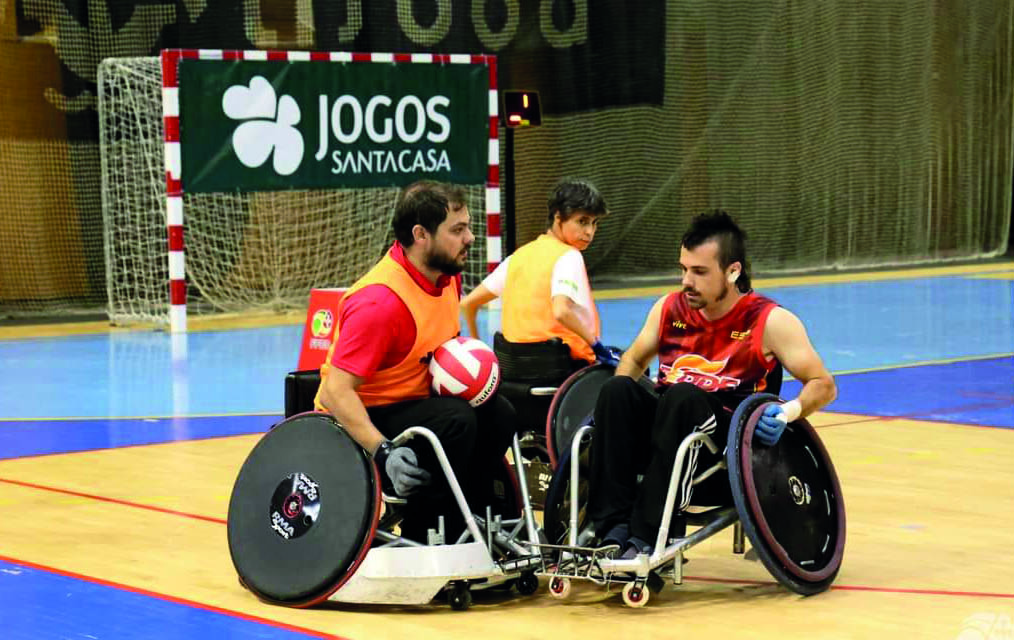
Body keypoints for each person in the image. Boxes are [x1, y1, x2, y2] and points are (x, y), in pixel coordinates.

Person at [587, 210, 837, 558]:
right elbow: (632, 360)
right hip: (666, 430)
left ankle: (647, 538)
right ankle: (610, 530)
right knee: (616, 391)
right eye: (683, 269)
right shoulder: (668, 309)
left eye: (700, 272)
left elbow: (823, 384)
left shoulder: (770, 321)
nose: (687, 281)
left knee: (682, 397)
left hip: (721, 450)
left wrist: (787, 413)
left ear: (732, 271)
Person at [314, 181, 517, 542]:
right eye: (458, 230)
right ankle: (425, 533)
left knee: (500, 411)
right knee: (456, 419)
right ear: (420, 235)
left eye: (468, 226)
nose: (470, 238)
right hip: (360, 416)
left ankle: (466, 512)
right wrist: (383, 451)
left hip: (415, 403)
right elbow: (334, 393)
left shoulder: (446, 278)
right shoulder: (380, 303)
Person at [460, 179, 619, 369]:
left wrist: (479, 348)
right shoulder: (569, 256)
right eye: (582, 221)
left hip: (513, 368)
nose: (589, 232)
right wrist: (597, 346)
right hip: (563, 366)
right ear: (558, 217)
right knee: (630, 369)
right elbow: (561, 311)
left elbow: (468, 303)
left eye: (594, 223)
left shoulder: (517, 257)